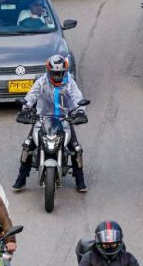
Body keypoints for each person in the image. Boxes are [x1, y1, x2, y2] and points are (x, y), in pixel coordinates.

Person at [12, 54, 87, 192]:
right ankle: (21, 178)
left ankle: (80, 179)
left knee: (76, 148)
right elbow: (31, 95)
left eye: (60, 73)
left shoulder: (70, 82)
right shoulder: (41, 82)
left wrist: (80, 111)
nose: (57, 76)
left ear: (64, 71)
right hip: (42, 118)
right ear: (49, 71)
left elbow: (77, 97)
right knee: (27, 145)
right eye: (54, 73)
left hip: (64, 119)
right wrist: (26, 108)